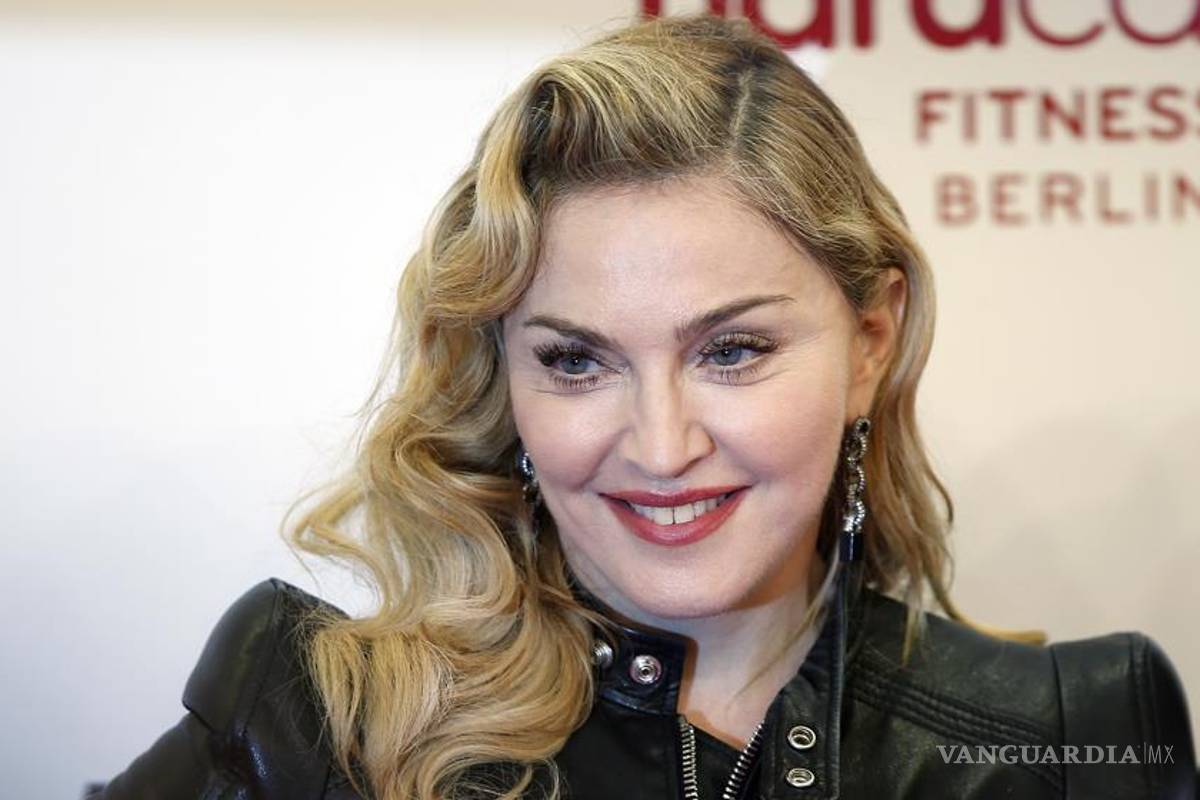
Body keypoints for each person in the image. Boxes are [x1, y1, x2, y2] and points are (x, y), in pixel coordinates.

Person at [88, 13, 1196, 800]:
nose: (662, 447)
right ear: (504, 372)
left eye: (733, 350)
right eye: (577, 362)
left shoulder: (1076, 729)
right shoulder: (315, 719)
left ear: (871, 343)